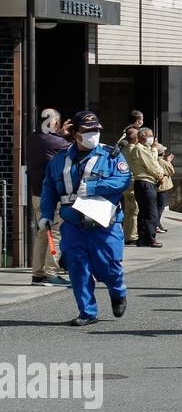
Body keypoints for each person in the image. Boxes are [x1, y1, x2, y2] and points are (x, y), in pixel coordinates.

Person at [38, 111, 132, 326]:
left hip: (104, 224)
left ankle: (117, 290)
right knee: (77, 268)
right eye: (87, 131)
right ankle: (87, 312)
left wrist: (92, 187)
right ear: (75, 134)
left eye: (96, 131)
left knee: (108, 267)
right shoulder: (59, 161)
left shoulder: (111, 155)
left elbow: (123, 180)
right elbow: (49, 190)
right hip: (72, 224)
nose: (93, 134)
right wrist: (45, 215)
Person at [27, 107, 70, 286]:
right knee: (55, 233)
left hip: (36, 193)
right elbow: (75, 147)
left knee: (42, 233)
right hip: (51, 197)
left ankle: (37, 274)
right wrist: (66, 134)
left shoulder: (33, 138)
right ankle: (51, 272)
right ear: (54, 123)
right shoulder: (57, 142)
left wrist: (60, 133)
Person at [124, 127, 169, 248]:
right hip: (145, 182)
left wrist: (154, 148)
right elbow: (152, 165)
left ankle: (143, 238)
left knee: (143, 212)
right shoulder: (140, 149)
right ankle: (149, 238)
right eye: (150, 135)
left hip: (141, 183)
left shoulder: (142, 149)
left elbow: (152, 160)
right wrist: (161, 175)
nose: (152, 138)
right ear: (143, 136)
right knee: (150, 212)